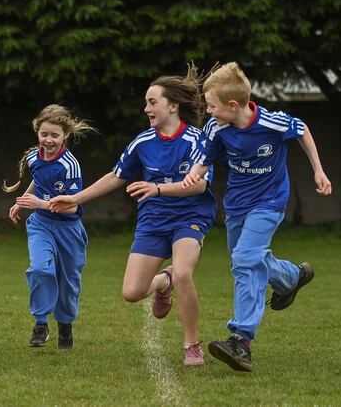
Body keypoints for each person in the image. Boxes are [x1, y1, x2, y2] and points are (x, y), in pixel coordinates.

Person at [50, 64, 216, 367]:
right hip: (153, 221)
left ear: (173, 106)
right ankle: (163, 283)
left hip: (189, 217)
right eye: (146, 103)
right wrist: (74, 198)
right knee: (131, 292)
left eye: (152, 102)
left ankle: (192, 345)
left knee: (183, 273)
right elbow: (115, 176)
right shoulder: (142, 142)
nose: (146, 108)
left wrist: (158, 188)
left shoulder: (197, 141)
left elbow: (200, 185)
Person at [182, 62, 331, 372]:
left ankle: (241, 339)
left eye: (212, 106)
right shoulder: (217, 128)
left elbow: (301, 129)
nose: (208, 112)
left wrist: (318, 170)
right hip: (237, 205)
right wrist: (191, 177)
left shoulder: (271, 122)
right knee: (245, 259)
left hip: (270, 202)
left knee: (245, 259)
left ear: (233, 105)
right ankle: (291, 276)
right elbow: (204, 162)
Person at [4, 104, 95, 349]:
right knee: (40, 269)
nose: (48, 140)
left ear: (65, 135)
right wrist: (23, 202)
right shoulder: (34, 157)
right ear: (37, 132)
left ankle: (65, 326)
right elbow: (38, 179)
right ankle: (41, 324)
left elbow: (73, 207)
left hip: (69, 230)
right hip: (41, 225)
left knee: (68, 283)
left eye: (54, 135)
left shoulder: (69, 166)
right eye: (44, 134)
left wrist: (39, 203)